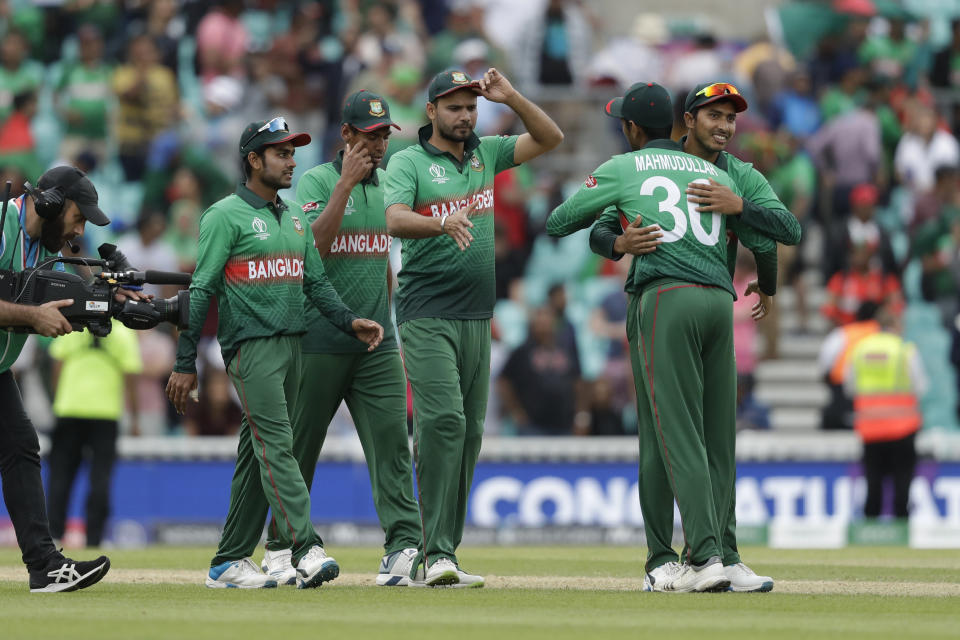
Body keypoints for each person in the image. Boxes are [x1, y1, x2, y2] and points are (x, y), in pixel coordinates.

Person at [546, 82, 779, 593]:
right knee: (717, 435)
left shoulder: (624, 166)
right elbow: (769, 237)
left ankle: (705, 556)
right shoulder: (711, 171)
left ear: (631, 128)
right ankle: (713, 552)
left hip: (665, 299)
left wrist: (616, 237)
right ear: (682, 124)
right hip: (720, 303)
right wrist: (771, 279)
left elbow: (560, 221)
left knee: (670, 435)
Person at [165, 117, 384, 589]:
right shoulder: (223, 215)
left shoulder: (295, 216)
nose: (291, 161)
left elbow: (317, 284)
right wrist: (185, 363)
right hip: (252, 348)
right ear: (253, 159)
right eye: (281, 153)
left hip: (295, 346)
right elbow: (200, 293)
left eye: (293, 152)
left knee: (256, 453)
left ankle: (228, 561)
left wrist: (349, 320)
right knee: (280, 448)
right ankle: (304, 547)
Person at [383, 68, 562, 587]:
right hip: (426, 312)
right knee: (443, 424)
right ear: (431, 111)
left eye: (471, 106)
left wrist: (512, 97)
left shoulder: (487, 153)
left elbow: (551, 138)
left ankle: (442, 553)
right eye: (454, 107)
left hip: (477, 315)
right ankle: (432, 551)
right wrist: (442, 221)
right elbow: (392, 218)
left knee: (470, 435)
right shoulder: (410, 161)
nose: (464, 115)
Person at [254, 91, 422, 588]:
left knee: (392, 446)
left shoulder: (389, 184)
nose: (378, 146)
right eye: (369, 136)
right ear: (345, 135)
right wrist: (345, 186)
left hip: (376, 343)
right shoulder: (315, 181)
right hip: (318, 340)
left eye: (384, 136)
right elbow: (314, 251)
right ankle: (282, 548)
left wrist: (388, 321)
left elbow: (380, 264)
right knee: (299, 451)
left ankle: (402, 548)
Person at [0, 165, 114, 592]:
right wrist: (33, 317)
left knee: (20, 446)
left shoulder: (39, 244)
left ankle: (45, 566)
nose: (77, 230)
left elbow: (59, 288)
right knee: (19, 447)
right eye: (78, 217)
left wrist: (108, 301)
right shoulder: (1, 225)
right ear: (49, 203)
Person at [46, 319, 142, 548]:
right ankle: (94, 540)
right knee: (100, 479)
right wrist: (135, 419)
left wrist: (57, 400)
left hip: (68, 409)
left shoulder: (73, 327)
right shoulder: (122, 333)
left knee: (60, 477)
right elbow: (131, 378)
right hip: (105, 414)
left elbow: (57, 366)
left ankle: (54, 536)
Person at [845, 307, 927, 519]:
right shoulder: (904, 349)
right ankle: (902, 524)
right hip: (903, 427)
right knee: (902, 480)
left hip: (870, 428)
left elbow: (849, 386)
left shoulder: (860, 349)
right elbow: (921, 386)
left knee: (873, 479)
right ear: (896, 326)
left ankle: (870, 528)